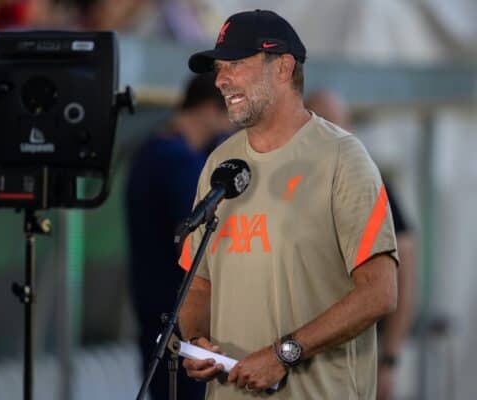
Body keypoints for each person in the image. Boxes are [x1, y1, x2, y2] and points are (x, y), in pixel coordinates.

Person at [178, 10, 399, 400]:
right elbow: (197, 286)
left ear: (282, 68)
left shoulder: (342, 158)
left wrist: (285, 353)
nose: (220, 79)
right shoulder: (219, 162)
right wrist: (196, 341)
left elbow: (379, 293)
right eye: (218, 67)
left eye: (235, 64)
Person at [125, 72, 232, 400]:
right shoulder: (179, 162)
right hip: (184, 324)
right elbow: (203, 244)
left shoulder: (150, 151)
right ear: (211, 109)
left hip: (156, 317)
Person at [305, 89, 416, 400]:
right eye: (317, 125)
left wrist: (390, 359)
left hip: (354, 359)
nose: (326, 135)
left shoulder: (370, 182)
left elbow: (402, 271)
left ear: (350, 130)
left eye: (334, 126)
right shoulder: (290, 184)